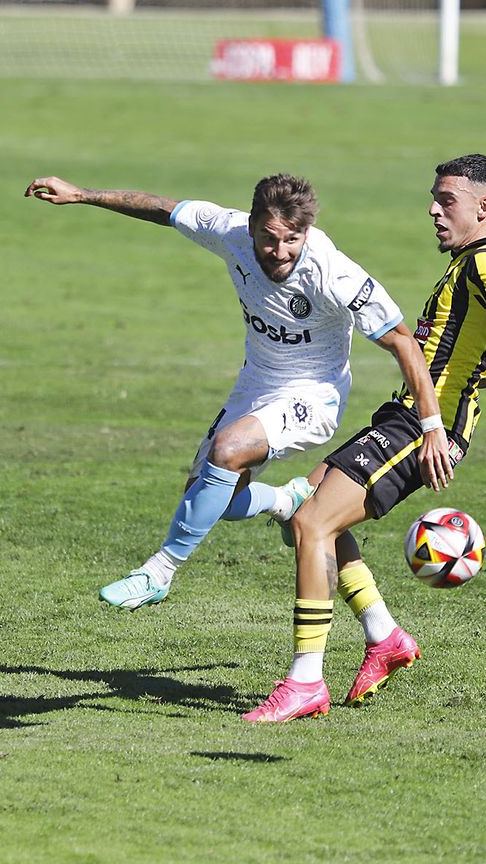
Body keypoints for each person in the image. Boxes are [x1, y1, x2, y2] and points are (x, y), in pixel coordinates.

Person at [23, 172, 448, 611]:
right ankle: (288, 500)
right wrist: (81, 195)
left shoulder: (333, 273)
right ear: (250, 226)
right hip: (256, 383)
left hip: (314, 395)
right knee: (207, 497)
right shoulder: (229, 230)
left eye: (292, 240)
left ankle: (159, 571)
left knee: (227, 449)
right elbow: (161, 208)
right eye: (269, 238)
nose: (280, 252)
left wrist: (432, 426)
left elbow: (401, 340)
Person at [241, 154, 486, 723]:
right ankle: (384, 636)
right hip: (408, 415)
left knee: (315, 523)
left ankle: (305, 682)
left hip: (424, 429)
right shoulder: (470, 260)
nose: (434, 211)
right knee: (301, 519)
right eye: (433, 199)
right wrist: (484, 370)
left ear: (484, 207)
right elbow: (465, 333)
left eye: (448, 202)